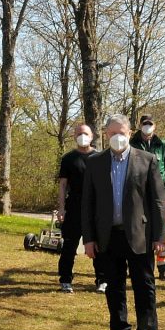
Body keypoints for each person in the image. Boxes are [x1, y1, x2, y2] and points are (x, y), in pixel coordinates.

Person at [81, 114, 165, 330]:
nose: (117, 137)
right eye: (112, 133)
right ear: (105, 135)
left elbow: (158, 202)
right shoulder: (95, 163)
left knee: (144, 286)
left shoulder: (147, 160)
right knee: (114, 288)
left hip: (140, 235)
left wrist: (160, 237)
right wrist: (88, 239)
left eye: (122, 132)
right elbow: (87, 204)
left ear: (130, 133)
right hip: (108, 237)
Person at [56, 123, 107, 294]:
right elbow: (63, 185)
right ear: (74, 137)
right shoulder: (68, 159)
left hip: (96, 209)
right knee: (69, 246)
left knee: (98, 246)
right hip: (74, 207)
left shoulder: (101, 157)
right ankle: (65, 280)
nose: (82, 136)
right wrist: (61, 208)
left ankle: (101, 280)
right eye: (78, 134)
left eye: (85, 133)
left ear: (92, 136)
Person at [130, 114, 165, 281]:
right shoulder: (132, 143)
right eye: (144, 123)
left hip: (159, 191)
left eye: (150, 124)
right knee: (138, 228)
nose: (147, 126)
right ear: (140, 125)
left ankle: (164, 267)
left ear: (154, 126)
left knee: (162, 228)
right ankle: (136, 264)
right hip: (139, 191)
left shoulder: (162, 145)